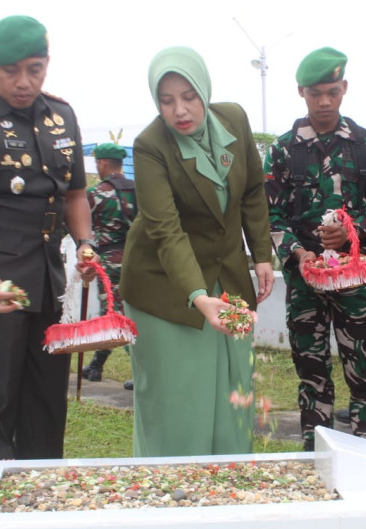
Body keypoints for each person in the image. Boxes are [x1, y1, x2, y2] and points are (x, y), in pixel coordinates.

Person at [0, 15, 96, 460]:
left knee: (47, 398)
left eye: (35, 69)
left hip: (47, 280)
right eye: (11, 71)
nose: (24, 82)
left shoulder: (61, 116)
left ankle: (41, 492)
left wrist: (85, 243)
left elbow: (76, 195)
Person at [120, 46, 274, 458]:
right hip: (165, 287)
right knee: (180, 397)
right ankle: (172, 489)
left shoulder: (234, 120)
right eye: (166, 100)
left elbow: (254, 189)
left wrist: (261, 253)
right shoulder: (150, 145)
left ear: (204, 90)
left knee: (232, 385)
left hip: (227, 276)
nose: (180, 110)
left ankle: (228, 479)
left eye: (188, 96)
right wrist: (197, 296)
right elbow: (166, 231)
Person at [264, 47, 366, 451]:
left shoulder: (365, 145)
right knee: (312, 371)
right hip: (305, 282)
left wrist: (353, 230)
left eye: (333, 92)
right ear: (301, 91)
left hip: (354, 281)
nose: (325, 102)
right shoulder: (285, 150)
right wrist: (297, 253)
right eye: (317, 93)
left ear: (345, 89)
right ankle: (316, 453)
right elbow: (270, 215)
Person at [81, 143, 137, 390]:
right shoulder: (139, 191)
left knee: (116, 317)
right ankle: (96, 365)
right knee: (131, 316)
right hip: (138, 262)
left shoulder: (94, 194)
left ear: (102, 163)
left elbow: (80, 229)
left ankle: (142, 372)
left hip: (108, 265)